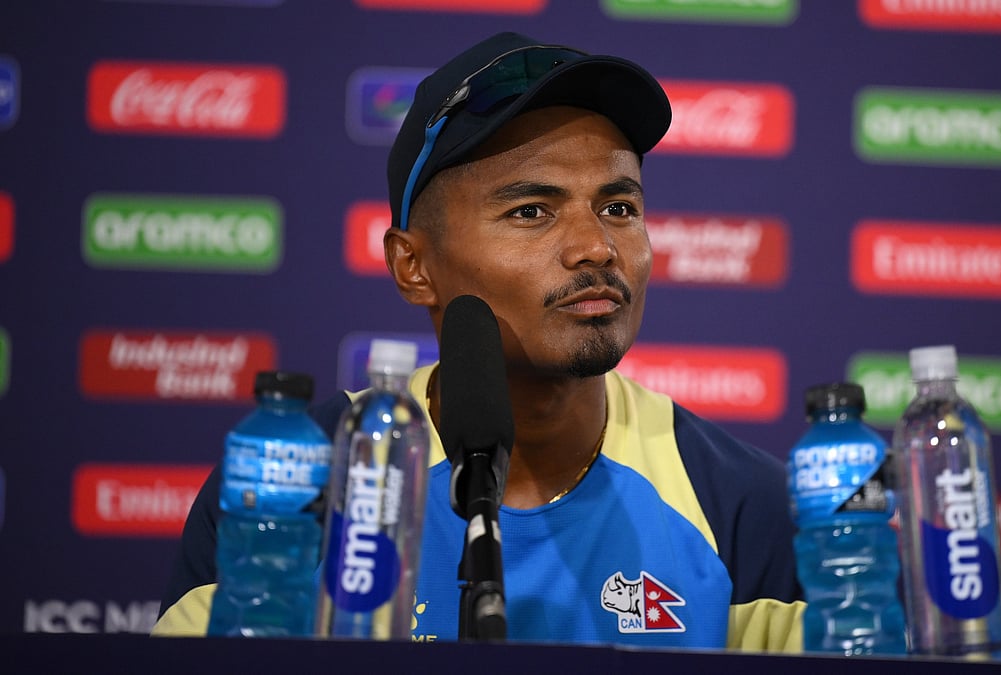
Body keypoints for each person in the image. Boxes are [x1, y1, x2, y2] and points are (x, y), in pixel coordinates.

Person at [153, 31, 805, 652]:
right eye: (531, 211)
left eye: (619, 208)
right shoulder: (292, 486)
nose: (595, 247)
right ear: (413, 266)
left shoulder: (743, 506)